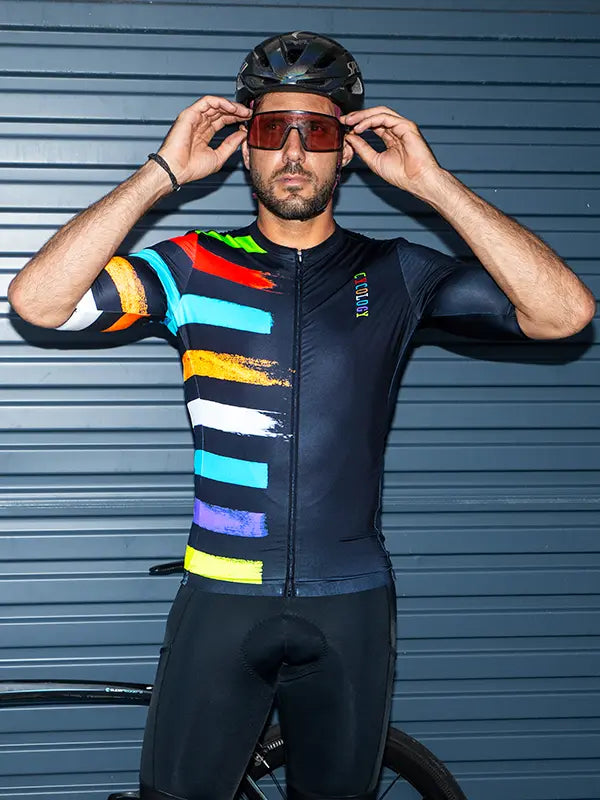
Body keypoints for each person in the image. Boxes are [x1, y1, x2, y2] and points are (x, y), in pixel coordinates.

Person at [8, 30, 595, 800]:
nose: (293, 152)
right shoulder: (190, 264)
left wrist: (435, 185)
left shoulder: (394, 272)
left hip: (349, 606)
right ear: (241, 146)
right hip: (221, 599)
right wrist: (162, 174)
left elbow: (563, 314)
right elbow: (38, 302)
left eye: (316, 131)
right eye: (270, 129)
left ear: (345, 149)